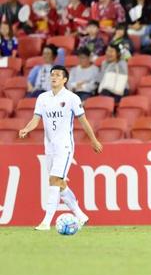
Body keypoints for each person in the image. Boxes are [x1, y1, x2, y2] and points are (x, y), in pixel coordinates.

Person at [20, 64, 103, 231]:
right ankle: (80, 215)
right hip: (49, 146)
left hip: (64, 146)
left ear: (65, 79)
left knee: (53, 180)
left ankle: (46, 222)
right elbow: (36, 119)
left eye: (58, 75)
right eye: (52, 74)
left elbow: (83, 121)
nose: (54, 77)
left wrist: (93, 140)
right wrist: (26, 129)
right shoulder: (42, 98)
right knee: (60, 183)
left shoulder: (72, 98)